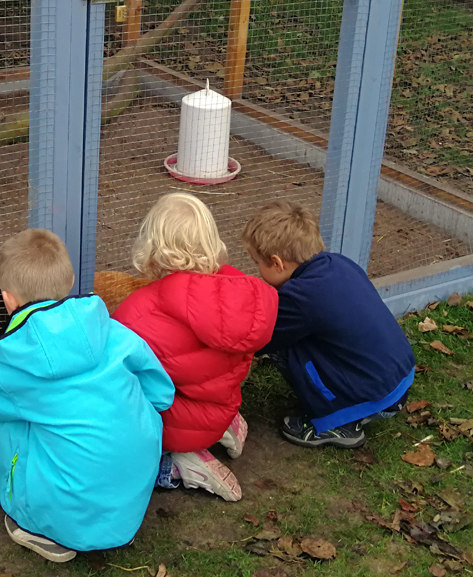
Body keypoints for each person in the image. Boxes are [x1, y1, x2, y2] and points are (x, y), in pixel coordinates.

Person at [0, 229, 174, 562]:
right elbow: (161, 394)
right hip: (130, 500)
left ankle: (39, 528)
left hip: (71, 517)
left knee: (14, 420)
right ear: (71, 278)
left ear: (8, 299)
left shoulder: (20, 360)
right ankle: (102, 509)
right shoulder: (114, 331)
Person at [113, 193, 278, 502]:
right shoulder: (237, 291)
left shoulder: (139, 311)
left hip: (180, 424)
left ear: (152, 248)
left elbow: (123, 374)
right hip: (222, 405)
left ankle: (181, 462)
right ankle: (228, 425)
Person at [242, 201, 414, 448]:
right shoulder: (338, 263)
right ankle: (349, 401)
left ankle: (340, 424)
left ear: (278, 263)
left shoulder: (302, 296)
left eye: (257, 262)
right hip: (397, 378)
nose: (257, 270)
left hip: (375, 396)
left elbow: (259, 338)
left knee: (282, 346)